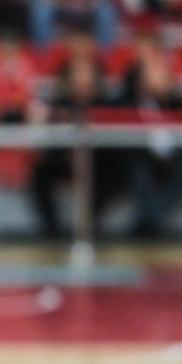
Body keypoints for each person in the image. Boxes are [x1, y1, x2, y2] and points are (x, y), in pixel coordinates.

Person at [29, 33, 121, 239]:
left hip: (98, 162)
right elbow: (46, 130)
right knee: (39, 174)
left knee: (112, 174)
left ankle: (90, 227)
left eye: (85, 72)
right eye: (77, 72)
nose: (81, 78)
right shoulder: (60, 101)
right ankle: (52, 232)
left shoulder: (105, 102)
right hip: (64, 160)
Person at [115, 32, 182, 238]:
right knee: (137, 170)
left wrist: (166, 94)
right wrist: (140, 86)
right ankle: (150, 224)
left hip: (170, 155)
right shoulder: (129, 89)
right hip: (140, 154)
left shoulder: (172, 93)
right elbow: (120, 108)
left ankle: (149, 222)